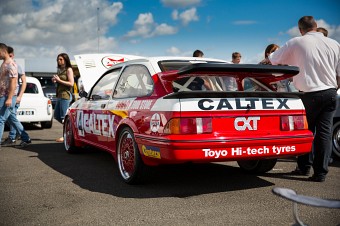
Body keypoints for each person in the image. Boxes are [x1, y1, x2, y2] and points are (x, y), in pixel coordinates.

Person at [269, 16, 340, 182]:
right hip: (330, 93)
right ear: (316, 26)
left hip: (309, 94)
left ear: (301, 30)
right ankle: (321, 173)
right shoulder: (335, 44)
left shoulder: (297, 42)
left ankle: (304, 167)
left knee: (306, 131)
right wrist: (333, 89)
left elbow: (274, 59)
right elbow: (339, 75)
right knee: (324, 134)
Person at [0, 43, 31, 147]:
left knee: (1, 119)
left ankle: (16, 137)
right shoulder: (4, 63)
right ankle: (25, 138)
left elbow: (15, 82)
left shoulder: (13, 65)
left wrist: (13, 98)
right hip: (4, 95)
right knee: (11, 117)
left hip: (9, 96)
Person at [52, 53, 74, 142]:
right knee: (56, 115)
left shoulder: (69, 70)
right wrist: (55, 81)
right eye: (58, 59)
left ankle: (66, 135)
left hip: (66, 95)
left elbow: (71, 83)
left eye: (61, 59)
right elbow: (59, 82)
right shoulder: (60, 70)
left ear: (65, 60)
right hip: (60, 95)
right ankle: (70, 130)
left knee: (63, 117)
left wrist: (59, 80)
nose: (59, 61)